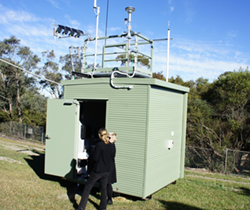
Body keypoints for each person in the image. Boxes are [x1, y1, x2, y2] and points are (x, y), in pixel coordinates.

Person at [77, 128, 112, 210]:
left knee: (88, 187)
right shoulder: (110, 145)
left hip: (98, 170)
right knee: (103, 188)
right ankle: (103, 207)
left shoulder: (99, 145)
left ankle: (81, 207)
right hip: (107, 170)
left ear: (100, 135)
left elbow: (95, 158)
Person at [107, 132, 117, 205]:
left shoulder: (111, 146)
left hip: (109, 167)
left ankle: (109, 199)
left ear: (113, 139)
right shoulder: (111, 145)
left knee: (108, 183)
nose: (107, 138)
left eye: (109, 137)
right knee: (107, 183)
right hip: (109, 166)